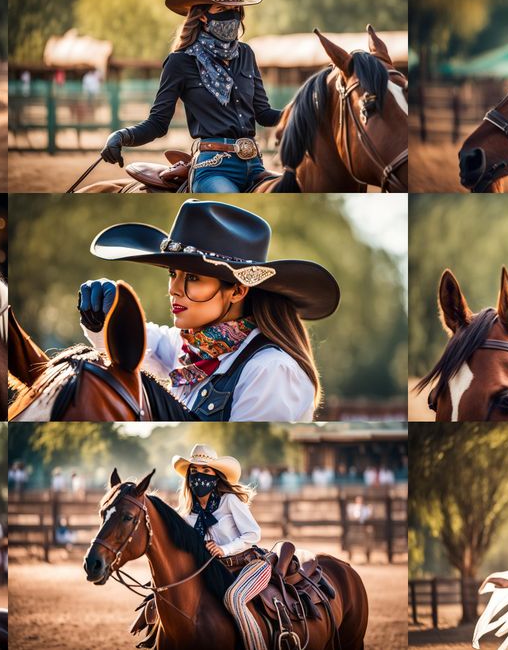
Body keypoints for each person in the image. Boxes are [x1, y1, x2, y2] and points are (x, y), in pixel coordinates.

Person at [78, 199, 339, 421]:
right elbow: (143, 343)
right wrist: (105, 316)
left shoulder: (270, 370)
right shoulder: (191, 349)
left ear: (237, 291)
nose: (174, 289)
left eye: (193, 277)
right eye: (173, 273)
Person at [99, 0, 282, 192]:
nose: (232, 17)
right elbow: (157, 123)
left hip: (255, 164)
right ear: (203, 16)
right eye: (222, 11)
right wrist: (120, 136)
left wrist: (301, 111)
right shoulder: (180, 61)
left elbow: (263, 113)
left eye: (236, 11)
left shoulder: (246, 54)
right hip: (214, 167)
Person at [173, 444, 272, 650]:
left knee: (234, 598)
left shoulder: (229, 501)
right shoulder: (186, 516)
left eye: (206, 471)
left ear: (216, 476)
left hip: (249, 565)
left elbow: (254, 534)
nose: (199, 476)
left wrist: (224, 549)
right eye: (194, 471)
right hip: (214, 572)